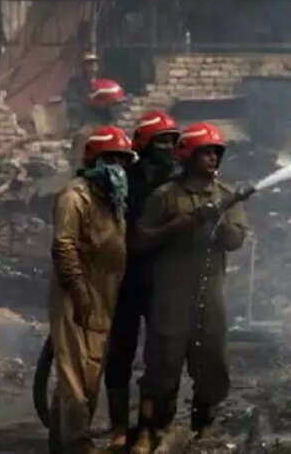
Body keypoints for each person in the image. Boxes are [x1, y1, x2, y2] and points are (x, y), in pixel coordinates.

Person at [132, 123, 249, 452]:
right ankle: (153, 430)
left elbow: (236, 241)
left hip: (210, 297)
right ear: (188, 156)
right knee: (163, 366)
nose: (212, 158)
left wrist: (220, 221)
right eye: (205, 152)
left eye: (216, 152)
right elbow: (140, 240)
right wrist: (184, 223)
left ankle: (203, 428)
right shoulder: (165, 196)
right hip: (171, 296)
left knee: (213, 365)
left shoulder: (226, 195)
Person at [49, 125, 137, 453]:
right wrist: (78, 289)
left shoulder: (113, 200)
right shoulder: (75, 197)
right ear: (94, 161)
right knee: (75, 374)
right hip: (76, 293)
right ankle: (76, 444)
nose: (117, 166)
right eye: (110, 159)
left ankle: (65, 439)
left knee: (90, 370)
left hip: (104, 294)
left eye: (122, 160)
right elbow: (64, 245)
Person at [104, 111, 181, 447]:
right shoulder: (124, 179)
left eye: (172, 142)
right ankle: (119, 427)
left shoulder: (176, 181)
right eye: (162, 141)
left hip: (162, 279)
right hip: (126, 276)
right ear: (145, 144)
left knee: (159, 354)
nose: (168, 148)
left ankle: (150, 425)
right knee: (120, 350)